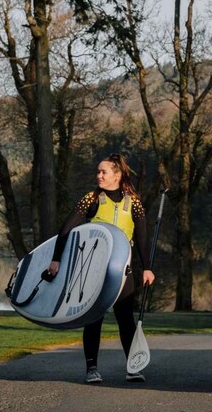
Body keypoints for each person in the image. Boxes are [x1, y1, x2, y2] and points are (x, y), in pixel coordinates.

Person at [46, 153, 155, 384]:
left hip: (123, 271)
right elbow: (66, 228)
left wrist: (147, 268)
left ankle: (132, 367)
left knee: (125, 319)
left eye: (103, 172)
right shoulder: (91, 198)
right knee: (94, 318)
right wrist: (56, 259)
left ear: (117, 175)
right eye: (98, 171)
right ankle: (92, 368)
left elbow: (143, 237)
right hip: (94, 270)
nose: (99, 175)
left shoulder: (133, 201)